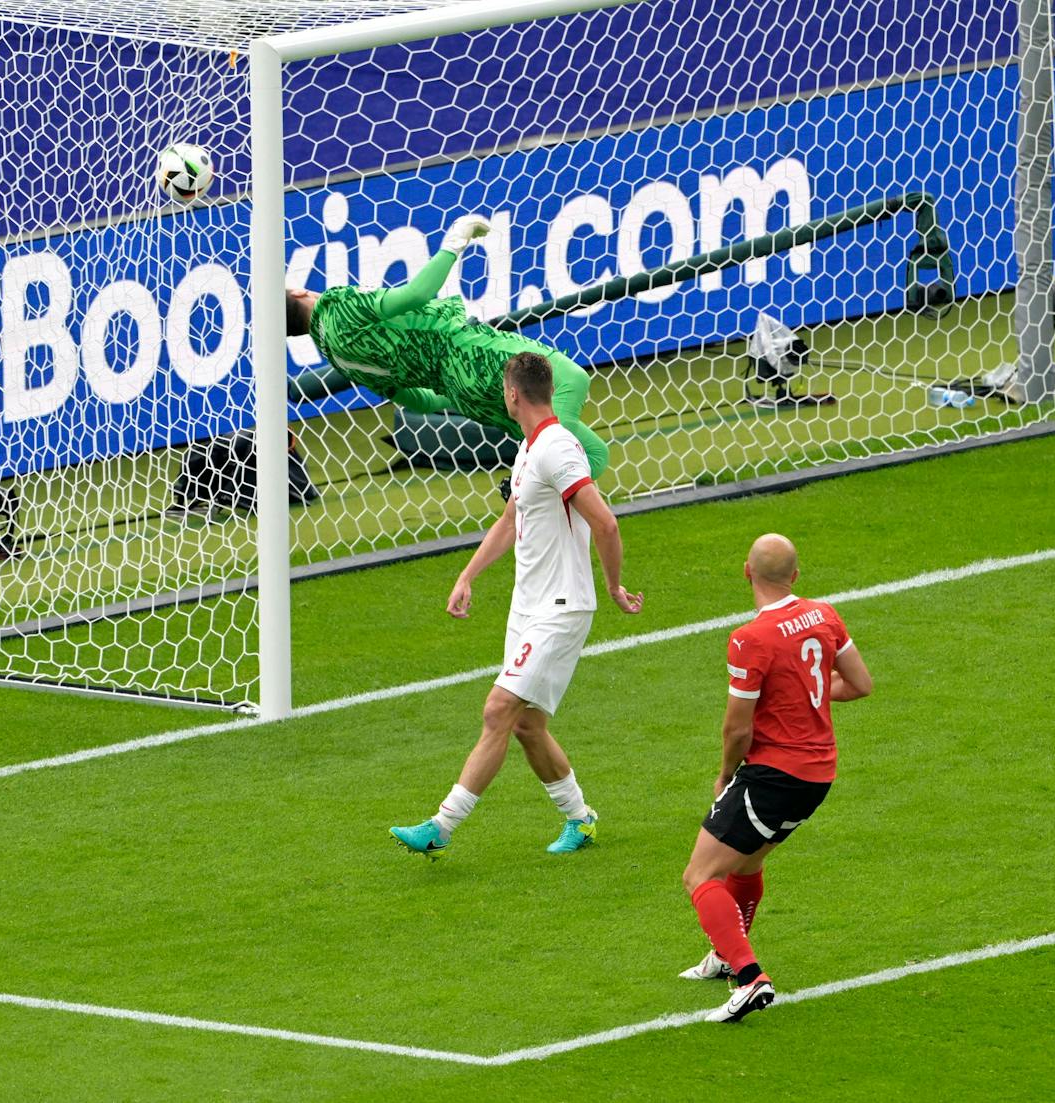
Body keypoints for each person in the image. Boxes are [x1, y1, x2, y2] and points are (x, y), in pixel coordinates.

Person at [389, 352, 643, 856]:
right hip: (528, 608)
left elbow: (606, 522)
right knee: (527, 724)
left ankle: (440, 826)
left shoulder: (555, 449)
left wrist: (613, 587)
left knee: (498, 710)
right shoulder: (528, 449)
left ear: (512, 393)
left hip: (561, 606)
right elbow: (509, 522)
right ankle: (581, 818)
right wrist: (467, 575)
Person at [680, 533, 873, 1022]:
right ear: (796, 574)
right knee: (744, 866)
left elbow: (737, 726)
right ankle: (727, 955)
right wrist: (801, 695)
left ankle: (749, 978)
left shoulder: (750, 639)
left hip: (773, 775)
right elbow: (860, 684)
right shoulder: (825, 615)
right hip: (818, 774)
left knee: (700, 875)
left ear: (746, 571)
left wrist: (725, 774)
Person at [286, 217, 612, 479]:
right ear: (299, 293)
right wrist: (456, 240)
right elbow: (416, 294)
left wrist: (451, 392)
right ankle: (527, 487)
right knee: (572, 380)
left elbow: (417, 401)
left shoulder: (337, 357)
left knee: (594, 454)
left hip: (465, 395)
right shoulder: (339, 308)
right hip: (470, 352)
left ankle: (540, 496)